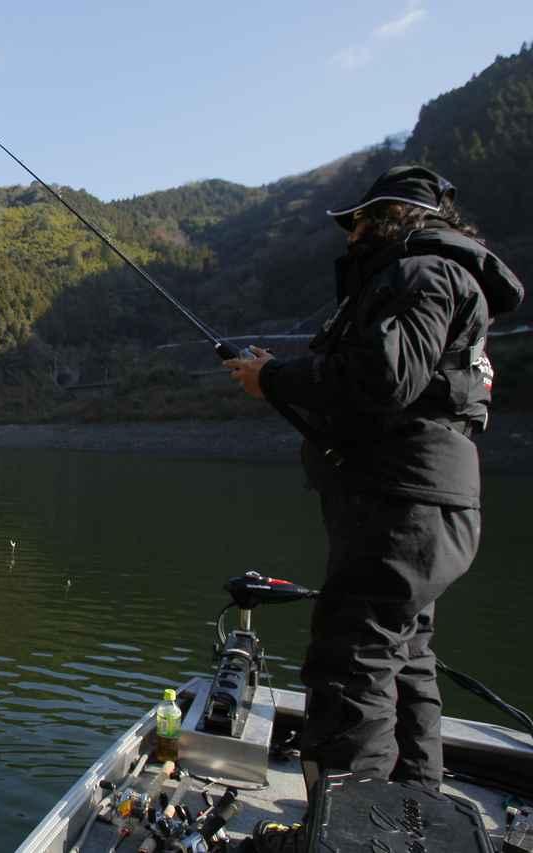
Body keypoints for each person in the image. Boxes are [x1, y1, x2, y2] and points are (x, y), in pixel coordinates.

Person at [224, 165, 524, 853]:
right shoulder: (441, 276)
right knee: (406, 656)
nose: (352, 233)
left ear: (392, 216)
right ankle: (419, 824)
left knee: (352, 662)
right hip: (426, 500)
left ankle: (352, 839)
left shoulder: (423, 272)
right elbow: (387, 376)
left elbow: (384, 377)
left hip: (404, 502)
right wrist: (276, 375)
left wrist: (272, 375)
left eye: (359, 220)